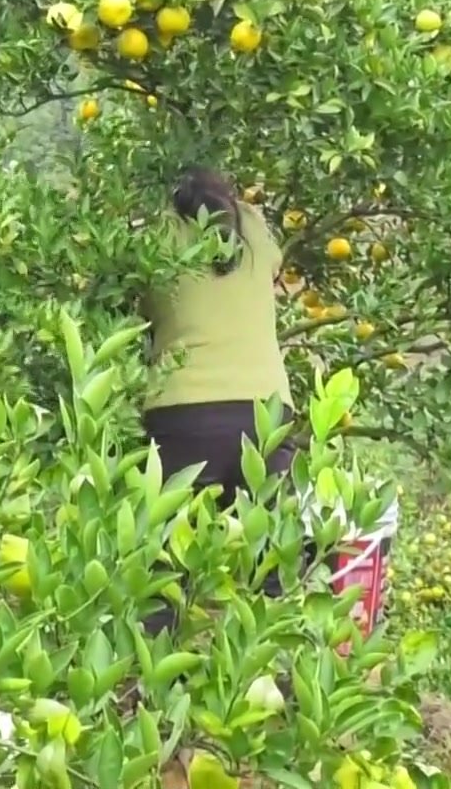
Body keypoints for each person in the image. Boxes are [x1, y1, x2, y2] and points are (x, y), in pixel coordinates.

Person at [138, 165, 302, 635]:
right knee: (269, 563)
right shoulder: (251, 225)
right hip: (266, 412)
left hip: (184, 414)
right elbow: (270, 270)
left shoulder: (155, 234)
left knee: (168, 565)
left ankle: (153, 687)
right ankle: (273, 685)